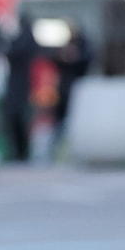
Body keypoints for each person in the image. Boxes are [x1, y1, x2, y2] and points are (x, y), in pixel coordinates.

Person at [49, 22, 92, 156]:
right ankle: (59, 150)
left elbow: (86, 62)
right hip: (63, 89)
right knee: (60, 121)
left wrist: (74, 58)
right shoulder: (65, 45)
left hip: (76, 89)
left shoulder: (83, 46)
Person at [2, 19, 39, 163]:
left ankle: (22, 151)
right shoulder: (26, 41)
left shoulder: (22, 42)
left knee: (20, 118)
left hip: (21, 85)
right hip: (21, 84)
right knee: (18, 118)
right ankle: (21, 151)